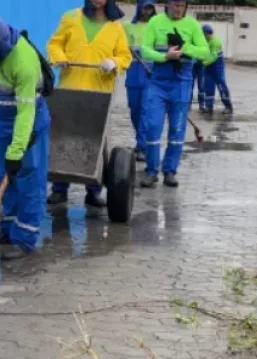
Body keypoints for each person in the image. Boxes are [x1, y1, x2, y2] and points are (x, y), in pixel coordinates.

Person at [0, 14, 51, 260]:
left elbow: (25, 114)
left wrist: (17, 151)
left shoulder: (23, 62)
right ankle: (8, 229)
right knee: (4, 175)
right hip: (3, 122)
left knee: (27, 176)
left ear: (3, 42)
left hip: (27, 124)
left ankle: (25, 238)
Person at [46, 0, 132, 208]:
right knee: (63, 136)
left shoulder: (115, 27)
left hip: (99, 93)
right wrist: (59, 57)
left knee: (97, 141)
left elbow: (125, 56)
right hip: (70, 87)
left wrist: (114, 63)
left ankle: (93, 191)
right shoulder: (71, 18)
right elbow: (54, 43)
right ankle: (59, 189)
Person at [139, 0, 209, 188]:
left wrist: (186, 49)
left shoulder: (192, 25)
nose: (179, 9)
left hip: (181, 83)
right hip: (158, 82)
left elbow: (205, 52)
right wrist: (164, 56)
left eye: (182, 6)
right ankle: (151, 171)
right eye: (175, 5)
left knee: (177, 129)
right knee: (153, 126)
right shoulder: (156, 22)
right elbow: (144, 50)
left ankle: (170, 171)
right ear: (167, 4)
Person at [123, 0, 157, 163]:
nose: (148, 12)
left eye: (151, 9)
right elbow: (119, 45)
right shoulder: (127, 26)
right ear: (139, 8)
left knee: (145, 110)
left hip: (150, 72)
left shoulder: (156, 26)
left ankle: (142, 146)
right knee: (134, 109)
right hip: (133, 71)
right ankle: (141, 139)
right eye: (145, 8)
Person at [202, 24, 233, 114]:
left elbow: (213, 57)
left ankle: (228, 106)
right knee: (208, 87)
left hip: (217, 68)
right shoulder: (205, 41)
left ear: (207, 34)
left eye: (203, 34)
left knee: (222, 87)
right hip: (208, 69)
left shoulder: (215, 42)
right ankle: (208, 106)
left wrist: (203, 62)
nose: (202, 36)